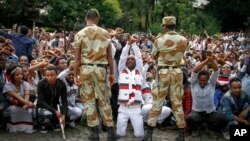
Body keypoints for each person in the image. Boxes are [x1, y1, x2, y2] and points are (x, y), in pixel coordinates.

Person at [73, 9, 116, 141]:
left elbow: (77, 59)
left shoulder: (79, 34)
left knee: (89, 101)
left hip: (86, 69)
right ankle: (110, 132)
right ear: (97, 18)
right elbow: (110, 56)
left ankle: (94, 133)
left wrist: (75, 75)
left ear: (86, 18)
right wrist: (112, 73)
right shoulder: (105, 33)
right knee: (104, 100)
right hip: (101, 69)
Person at [143, 16, 188, 141]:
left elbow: (154, 56)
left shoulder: (159, 39)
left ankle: (149, 134)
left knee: (157, 101)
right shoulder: (184, 39)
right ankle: (181, 134)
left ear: (164, 26)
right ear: (174, 25)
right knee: (177, 103)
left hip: (163, 72)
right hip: (178, 72)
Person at [186, 54, 228, 137]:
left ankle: (210, 129)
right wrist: (206, 61)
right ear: (198, 79)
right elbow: (195, 71)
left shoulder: (211, 83)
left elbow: (216, 71)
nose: (203, 82)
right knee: (190, 118)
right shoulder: (194, 84)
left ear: (208, 79)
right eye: (201, 80)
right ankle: (196, 129)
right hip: (197, 112)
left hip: (210, 113)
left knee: (223, 120)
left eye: (205, 80)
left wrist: (211, 60)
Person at [116, 35, 144, 138]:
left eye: (132, 59)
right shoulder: (121, 70)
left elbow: (139, 57)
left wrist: (134, 44)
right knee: (120, 134)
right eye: (129, 60)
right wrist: (128, 44)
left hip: (136, 108)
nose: (130, 61)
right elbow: (123, 57)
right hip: (123, 108)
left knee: (139, 134)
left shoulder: (139, 71)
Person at [3, 65, 36, 133]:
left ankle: (27, 128)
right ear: (12, 76)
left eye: (21, 74)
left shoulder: (25, 84)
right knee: (15, 110)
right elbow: (16, 97)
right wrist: (28, 103)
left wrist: (26, 105)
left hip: (24, 104)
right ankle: (14, 128)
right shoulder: (8, 85)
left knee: (28, 110)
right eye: (17, 75)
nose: (20, 76)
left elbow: (27, 95)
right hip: (12, 105)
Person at [37, 65, 68, 133]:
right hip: (44, 107)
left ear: (57, 75)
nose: (49, 77)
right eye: (47, 75)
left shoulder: (62, 84)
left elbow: (64, 101)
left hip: (55, 106)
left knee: (68, 113)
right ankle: (42, 125)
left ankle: (54, 123)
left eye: (52, 75)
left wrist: (63, 114)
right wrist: (55, 111)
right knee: (47, 114)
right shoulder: (41, 83)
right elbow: (40, 102)